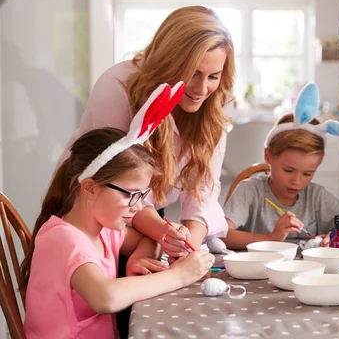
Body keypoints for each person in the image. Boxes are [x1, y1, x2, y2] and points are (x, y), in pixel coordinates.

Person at [59, 5, 235, 255]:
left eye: (213, 76)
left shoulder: (218, 99)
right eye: (193, 73)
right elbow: (114, 183)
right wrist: (165, 234)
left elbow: (203, 187)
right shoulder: (118, 87)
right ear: (170, 64)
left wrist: (188, 245)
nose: (201, 89)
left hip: (142, 208)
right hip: (91, 208)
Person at [21, 128, 215, 338]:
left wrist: (138, 258)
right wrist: (179, 276)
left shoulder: (104, 230)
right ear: (90, 188)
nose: (139, 206)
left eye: (143, 195)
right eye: (130, 195)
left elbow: (147, 239)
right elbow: (105, 297)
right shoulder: (64, 238)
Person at [222, 82, 339, 249]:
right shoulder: (249, 191)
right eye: (288, 170)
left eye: (308, 173)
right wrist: (271, 238)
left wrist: (338, 238)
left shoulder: (316, 196)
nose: (296, 181)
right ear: (268, 155)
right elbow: (224, 235)